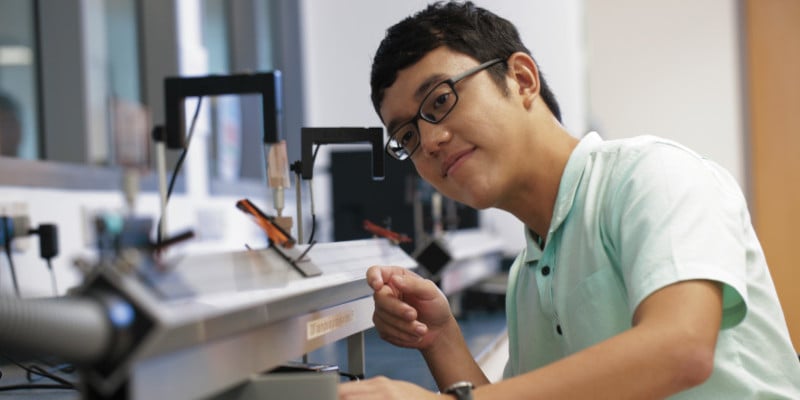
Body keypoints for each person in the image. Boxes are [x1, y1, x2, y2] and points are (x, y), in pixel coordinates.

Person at [338, 1, 800, 399]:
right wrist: (440, 338)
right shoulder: (527, 275)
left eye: (440, 100)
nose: (430, 140)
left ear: (521, 79)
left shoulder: (652, 176)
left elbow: (681, 348)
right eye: (406, 135)